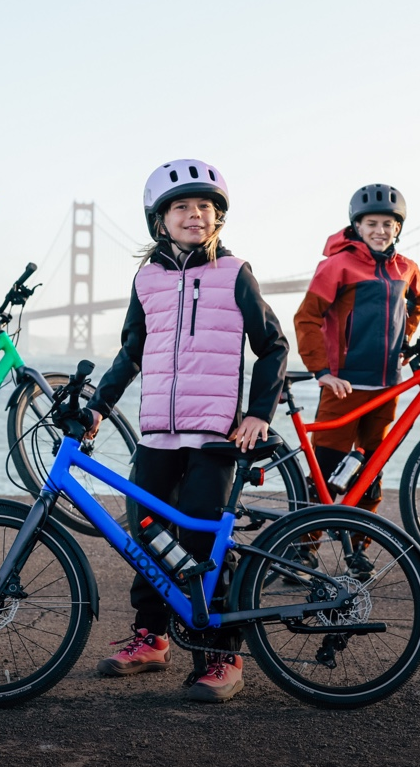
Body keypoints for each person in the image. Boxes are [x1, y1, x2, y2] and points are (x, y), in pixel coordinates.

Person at [84, 159, 288, 703]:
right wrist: (99, 406)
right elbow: (131, 352)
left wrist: (257, 414)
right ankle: (151, 638)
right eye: (182, 207)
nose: (195, 214)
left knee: (199, 541)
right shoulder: (146, 278)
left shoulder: (234, 271)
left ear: (218, 218)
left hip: (214, 436)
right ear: (161, 220)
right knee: (144, 535)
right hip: (156, 433)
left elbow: (273, 347)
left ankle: (221, 653)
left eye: (205, 207)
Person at [293, 184, 420, 513]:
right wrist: (322, 373)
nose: (380, 231)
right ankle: (303, 545)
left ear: (398, 227)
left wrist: (404, 344)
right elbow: (306, 318)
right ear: (357, 226)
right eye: (372, 224)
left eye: (388, 224)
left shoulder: (406, 268)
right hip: (344, 386)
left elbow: (419, 301)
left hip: (386, 387)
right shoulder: (336, 266)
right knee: (324, 473)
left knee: (370, 473)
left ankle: (359, 549)